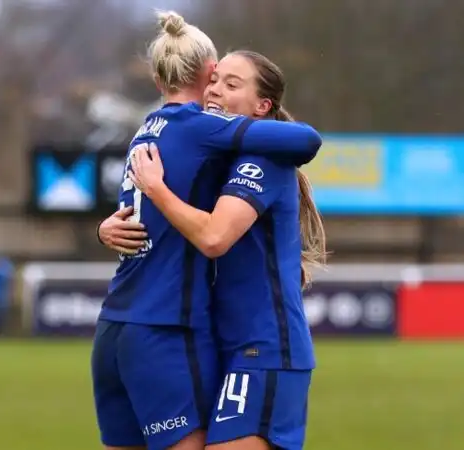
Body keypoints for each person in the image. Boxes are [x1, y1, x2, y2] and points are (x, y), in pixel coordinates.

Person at [92, 10, 322, 450]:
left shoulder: (264, 158)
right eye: (215, 80)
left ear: (262, 108)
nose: (215, 89)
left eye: (231, 84)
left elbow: (215, 237)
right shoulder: (212, 152)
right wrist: (109, 228)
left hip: (263, 349)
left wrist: (157, 192)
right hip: (222, 346)